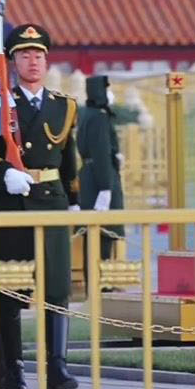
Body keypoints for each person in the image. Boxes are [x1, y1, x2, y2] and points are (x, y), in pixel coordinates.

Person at [0, 23, 81, 389]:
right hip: (11, 201)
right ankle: (13, 368)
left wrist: (76, 198)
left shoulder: (63, 106)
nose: (32, 62)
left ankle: (57, 366)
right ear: (14, 62)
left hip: (50, 200)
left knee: (55, 288)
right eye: (24, 55)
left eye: (38, 55)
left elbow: (69, 156)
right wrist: (3, 173)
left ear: (47, 61)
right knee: (9, 288)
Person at [75, 74, 123, 261]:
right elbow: (101, 153)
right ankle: (101, 285)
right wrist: (105, 187)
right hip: (99, 180)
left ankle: (95, 283)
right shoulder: (99, 117)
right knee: (103, 235)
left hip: (89, 176)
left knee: (93, 237)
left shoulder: (87, 114)